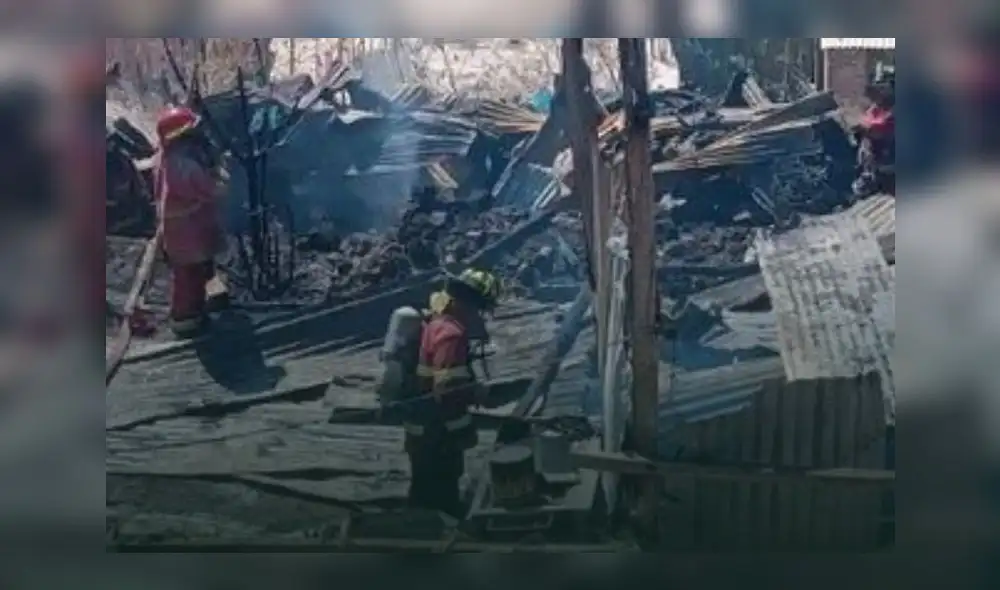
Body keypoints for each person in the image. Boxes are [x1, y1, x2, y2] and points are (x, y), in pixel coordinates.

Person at [404, 268, 500, 517]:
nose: (481, 318)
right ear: (469, 305)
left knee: (422, 495)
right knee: (439, 502)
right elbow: (446, 390)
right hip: (438, 436)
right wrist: (465, 423)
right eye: (480, 310)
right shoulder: (451, 334)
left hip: (423, 431)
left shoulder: (438, 324)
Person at [152, 106, 226, 337]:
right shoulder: (182, 163)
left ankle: (196, 313)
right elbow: (208, 189)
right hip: (186, 229)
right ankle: (185, 320)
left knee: (194, 271)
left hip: (183, 226)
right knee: (188, 276)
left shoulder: (168, 157)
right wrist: (221, 180)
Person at [854, 65, 896, 196]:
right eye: (878, 87)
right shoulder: (876, 107)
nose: (879, 91)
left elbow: (884, 126)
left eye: (883, 87)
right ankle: (867, 173)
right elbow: (866, 120)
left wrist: (868, 128)